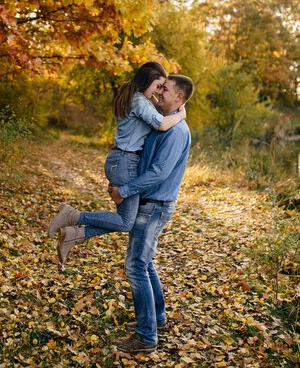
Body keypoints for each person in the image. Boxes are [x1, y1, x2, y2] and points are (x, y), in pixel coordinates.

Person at [47, 62, 186, 267]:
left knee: (125, 220)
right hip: (125, 161)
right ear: (146, 82)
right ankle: (74, 216)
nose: (158, 92)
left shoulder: (139, 99)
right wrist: (181, 115)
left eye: (162, 88)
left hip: (124, 161)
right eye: (158, 86)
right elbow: (164, 124)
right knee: (126, 222)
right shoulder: (139, 101)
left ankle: (74, 235)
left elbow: (159, 113)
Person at [107, 74, 194, 353]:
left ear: (178, 98)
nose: (159, 93)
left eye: (165, 90)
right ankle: (156, 318)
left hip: (155, 205)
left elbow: (158, 173)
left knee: (135, 267)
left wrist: (127, 189)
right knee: (145, 264)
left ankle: (146, 337)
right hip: (149, 202)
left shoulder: (177, 132)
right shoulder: (163, 124)